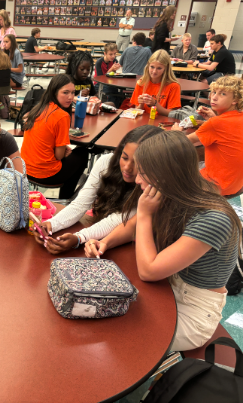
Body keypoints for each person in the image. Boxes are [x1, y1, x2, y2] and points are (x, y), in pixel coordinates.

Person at [85, 131, 241, 352]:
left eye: (144, 173)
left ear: (168, 174)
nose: (137, 179)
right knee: (98, 308)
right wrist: (106, 242)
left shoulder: (213, 218)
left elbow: (149, 271)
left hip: (193, 309)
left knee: (113, 332)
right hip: (168, 287)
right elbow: (132, 227)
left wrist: (145, 213)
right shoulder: (172, 191)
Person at [33, 126, 163, 253]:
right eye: (124, 157)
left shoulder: (150, 185)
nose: (127, 167)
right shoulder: (106, 162)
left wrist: (79, 238)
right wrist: (51, 224)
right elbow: (80, 204)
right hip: (100, 231)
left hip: (127, 245)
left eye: (136, 162)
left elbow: (118, 220)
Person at [172, 75, 243, 197]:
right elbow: (228, 131)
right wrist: (213, 119)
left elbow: (182, 142)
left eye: (222, 94)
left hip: (214, 187)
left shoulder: (216, 123)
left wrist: (176, 133)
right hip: (236, 185)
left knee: (171, 167)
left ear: (235, 100)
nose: (214, 97)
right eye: (214, 92)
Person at [21, 74, 89, 200]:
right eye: (65, 92)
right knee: (83, 153)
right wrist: (62, 151)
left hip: (25, 169)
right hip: (46, 174)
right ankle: (66, 199)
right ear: (54, 92)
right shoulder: (62, 116)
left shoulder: (37, 108)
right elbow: (59, 156)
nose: (70, 97)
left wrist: (61, 149)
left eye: (73, 93)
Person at [129, 50, 181, 116]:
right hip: (143, 122)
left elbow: (172, 114)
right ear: (148, 66)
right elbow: (137, 110)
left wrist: (155, 104)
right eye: (152, 67)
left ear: (166, 69)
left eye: (159, 68)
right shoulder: (141, 83)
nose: (154, 71)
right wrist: (141, 104)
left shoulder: (173, 86)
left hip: (162, 123)